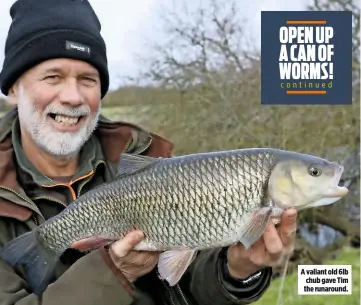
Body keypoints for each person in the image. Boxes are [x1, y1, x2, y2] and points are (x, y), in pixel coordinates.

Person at [0, 0, 298, 304]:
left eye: (88, 79)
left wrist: (236, 269)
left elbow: (186, 283)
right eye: (53, 76)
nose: (72, 96)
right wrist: (111, 274)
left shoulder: (150, 156)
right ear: (13, 88)